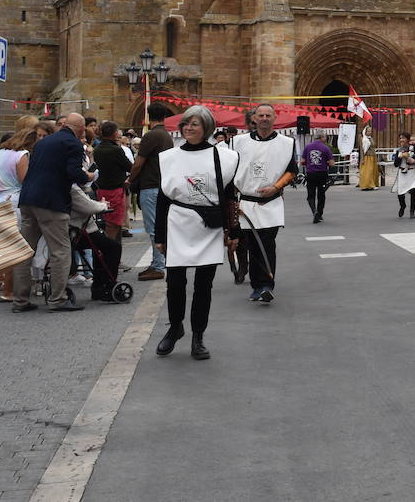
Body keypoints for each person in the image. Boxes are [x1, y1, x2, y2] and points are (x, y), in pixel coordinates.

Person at [154, 105, 240, 360]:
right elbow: (163, 199)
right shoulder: (169, 157)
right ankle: (175, 327)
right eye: (186, 123)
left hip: (209, 226)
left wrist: (233, 231)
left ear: (207, 128)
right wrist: (160, 236)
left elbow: (229, 196)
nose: (189, 128)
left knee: (204, 285)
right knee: (175, 282)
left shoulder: (223, 157)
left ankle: (198, 336)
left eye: (195, 124)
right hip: (178, 223)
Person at [12, 112, 95, 313]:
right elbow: (74, 174)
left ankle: (20, 300)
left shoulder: (43, 142)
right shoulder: (74, 144)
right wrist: (89, 175)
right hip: (51, 202)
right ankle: (58, 299)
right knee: (60, 251)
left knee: (25, 251)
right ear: (82, 129)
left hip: (28, 199)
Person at [232, 103, 297, 303]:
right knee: (252, 245)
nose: (264, 118)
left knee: (267, 244)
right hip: (247, 203)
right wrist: (233, 200)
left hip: (271, 202)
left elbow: (292, 171)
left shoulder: (286, 143)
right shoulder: (238, 142)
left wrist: (276, 187)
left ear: (275, 118)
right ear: (254, 118)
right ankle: (256, 285)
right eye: (261, 115)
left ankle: (267, 284)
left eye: (268, 115)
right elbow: (230, 171)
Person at [0, 116, 39, 301]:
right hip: (14, 201)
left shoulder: (1, 151)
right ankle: (9, 289)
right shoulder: (21, 155)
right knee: (16, 247)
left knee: (4, 244)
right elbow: (24, 179)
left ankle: (3, 281)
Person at [127, 104, 174, 283]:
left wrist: (130, 179)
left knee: (153, 227)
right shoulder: (166, 136)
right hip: (161, 185)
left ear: (148, 117)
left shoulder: (152, 135)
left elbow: (138, 163)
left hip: (151, 186)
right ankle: (160, 262)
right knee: (159, 226)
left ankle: (158, 265)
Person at [93, 122, 132, 241]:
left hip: (102, 189)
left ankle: (113, 251)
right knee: (114, 224)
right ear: (113, 133)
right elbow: (129, 166)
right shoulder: (115, 150)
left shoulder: (97, 149)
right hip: (115, 189)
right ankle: (112, 251)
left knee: (109, 222)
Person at [301, 133, 333, 223]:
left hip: (311, 173)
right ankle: (320, 214)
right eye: (325, 136)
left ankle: (314, 211)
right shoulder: (326, 148)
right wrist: (325, 162)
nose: (326, 138)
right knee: (321, 195)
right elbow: (332, 163)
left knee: (310, 195)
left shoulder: (307, 147)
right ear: (321, 137)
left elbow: (302, 161)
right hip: (322, 174)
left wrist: (309, 163)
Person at [392, 132, 415, 218]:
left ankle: (412, 211)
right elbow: (396, 164)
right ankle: (403, 205)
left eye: (403, 138)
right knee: (400, 193)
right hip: (402, 173)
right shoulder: (399, 150)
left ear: (408, 139)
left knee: (413, 192)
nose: (401, 140)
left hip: (413, 172)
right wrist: (400, 157)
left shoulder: (414, 148)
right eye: (400, 138)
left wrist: (412, 160)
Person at [358, 125, 379, 190]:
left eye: (370, 131)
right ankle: (368, 184)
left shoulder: (370, 138)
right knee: (368, 171)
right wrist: (362, 159)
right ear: (365, 132)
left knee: (373, 171)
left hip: (372, 156)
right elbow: (362, 150)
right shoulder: (365, 139)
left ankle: (373, 183)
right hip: (367, 157)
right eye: (368, 131)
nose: (370, 132)